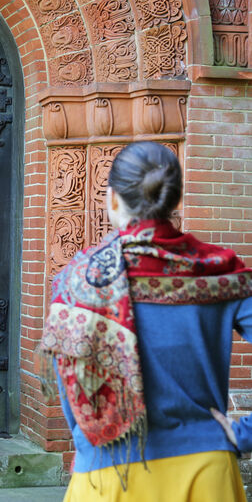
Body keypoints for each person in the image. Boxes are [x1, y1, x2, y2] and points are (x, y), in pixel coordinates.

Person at [40, 141, 252, 501]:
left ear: (111, 199)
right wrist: (244, 434)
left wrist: (93, 447)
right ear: (175, 201)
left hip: (107, 476)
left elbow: (69, 392)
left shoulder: (78, 280)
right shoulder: (222, 273)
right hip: (205, 474)